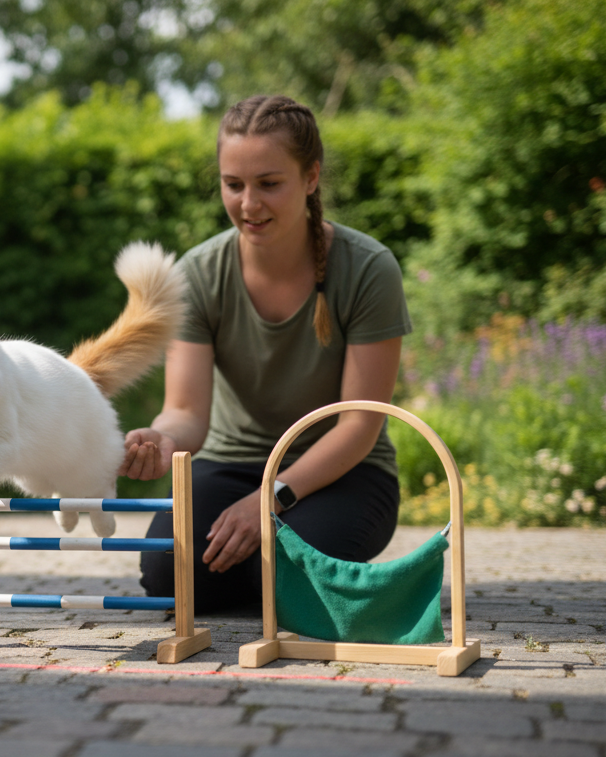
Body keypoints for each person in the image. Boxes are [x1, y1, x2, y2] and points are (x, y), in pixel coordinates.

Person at [120, 95, 411, 613]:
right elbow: (186, 412)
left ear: (312, 177)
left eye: (269, 184)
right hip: (230, 464)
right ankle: (272, 580)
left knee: (287, 574)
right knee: (169, 577)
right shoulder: (198, 274)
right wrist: (162, 439)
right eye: (234, 185)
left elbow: (358, 428)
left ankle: (294, 580)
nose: (249, 205)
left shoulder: (370, 269)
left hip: (342, 471)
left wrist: (267, 502)